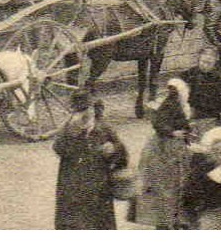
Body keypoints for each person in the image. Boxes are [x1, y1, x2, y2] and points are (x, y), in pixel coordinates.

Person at [52, 92, 127, 230]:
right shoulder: (68, 129)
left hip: (99, 189)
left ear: (93, 109)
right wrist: (72, 135)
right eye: (80, 110)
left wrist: (114, 150)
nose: (84, 114)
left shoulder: (104, 128)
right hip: (73, 189)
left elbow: (122, 156)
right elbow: (58, 149)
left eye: (87, 109)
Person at [133, 78, 191, 230]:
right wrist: (173, 132)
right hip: (167, 148)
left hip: (172, 147)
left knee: (174, 184)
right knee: (168, 184)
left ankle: (173, 219)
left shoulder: (172, 104)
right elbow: (159, 124)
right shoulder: (171, 104)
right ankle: (167, 221)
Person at [184, 48, 221, 132]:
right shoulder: (191, 72)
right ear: (198, 60)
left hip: (211, 114)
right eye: (203, 62)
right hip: (194, 111)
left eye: (209, 63)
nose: (205, 65)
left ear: (214, 64)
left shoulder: (218, 78)